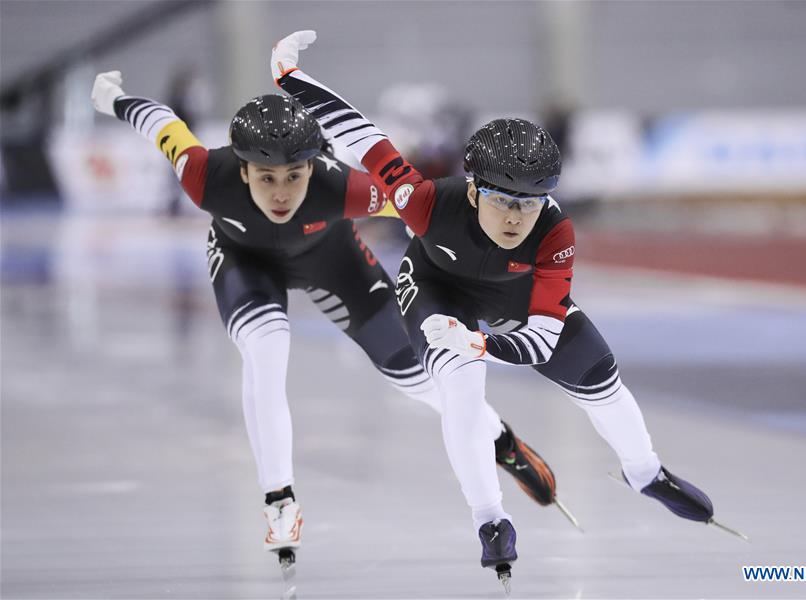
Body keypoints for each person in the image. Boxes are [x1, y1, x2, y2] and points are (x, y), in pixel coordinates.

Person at [270, 30, 718, 588]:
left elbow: (543, 341)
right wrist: (289, 78)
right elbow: (363, 137)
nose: (515, 217)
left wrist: (482, 342)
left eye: (530, 204)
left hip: (513, 300)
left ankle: (645, 473)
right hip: (437, 288)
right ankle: (490, 519)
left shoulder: (554, 231)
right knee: (460, 390)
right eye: (505, 200)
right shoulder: (426, 201)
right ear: (477, 191)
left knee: (602, 379)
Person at [89, 72, 564, 570]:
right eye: (266, 176)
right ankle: (280, 501)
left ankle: (501, 441)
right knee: (266, 350)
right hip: (245, 263)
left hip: (333, 261)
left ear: (315, 167)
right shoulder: (205, 174)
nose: (281, 192)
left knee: (416, 380)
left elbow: (437, 210)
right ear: (241, 168)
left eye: (295, 175)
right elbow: (161, 123)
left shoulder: (343, 187)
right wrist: (117, 97)